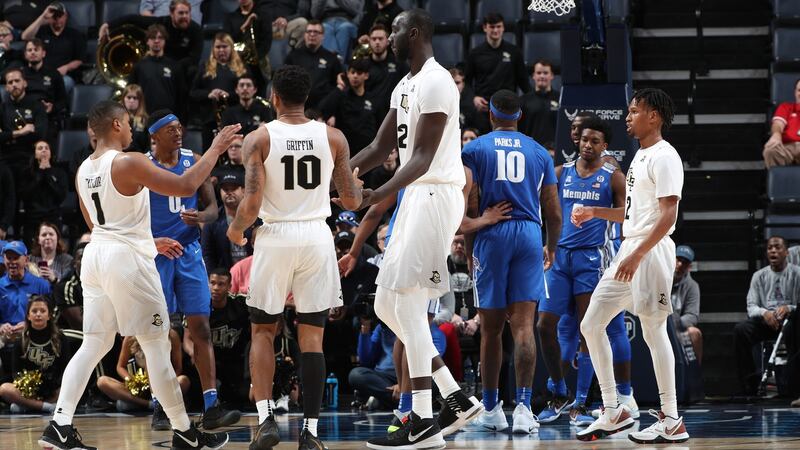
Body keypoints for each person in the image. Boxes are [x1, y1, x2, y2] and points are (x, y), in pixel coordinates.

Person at [36, 100, 239, 449]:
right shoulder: (129, 160)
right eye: (128, 122)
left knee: (95, 343)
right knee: (157, 344)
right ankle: (185, 432)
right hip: (126, 260)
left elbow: (95, 222)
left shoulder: (83, 168)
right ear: (115, 125)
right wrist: (217, 147)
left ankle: (59, 425)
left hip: (98, 254)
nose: (133, 129)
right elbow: (187, 184)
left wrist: (147, 239)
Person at [348, 9, 483, 449]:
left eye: (395, 31)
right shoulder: (404, 84)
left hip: (434, 194)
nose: (385, 38)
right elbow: (379, 146)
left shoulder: (438, 80)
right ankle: (455, 397)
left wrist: (372, 195)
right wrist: (342, 174)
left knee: (407, 303)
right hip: (414, 197)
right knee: (388, 305)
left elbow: (422, 158)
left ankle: (423, 419)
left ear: (417, 33)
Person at [225, 64, 362, 450]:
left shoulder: (259, 137)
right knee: (312, 339)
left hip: (275, 235)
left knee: (263, 331)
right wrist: (356, 189)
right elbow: (351, 200)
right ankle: (312, 434)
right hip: (317, 236)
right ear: (307, 99)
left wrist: (235, 231)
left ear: (274, 98)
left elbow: (251, 203)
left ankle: (267, 417)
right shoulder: (333, 136)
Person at [573, 88, 689, 444]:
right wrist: (595, 212)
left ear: (653, 116)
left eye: (634, 111)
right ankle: (614, 409)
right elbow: (630, 216)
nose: (627, 117)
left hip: (650, 253)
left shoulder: (665, 156)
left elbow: (668, 212)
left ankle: (671, 419)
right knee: (591, 324)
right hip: (630, 250)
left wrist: (639, 254)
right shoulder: (639, 156)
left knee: (654, 331)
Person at [459, 89, 560, 434]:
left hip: (493, 232)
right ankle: (523, 408)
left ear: (490, 115)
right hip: (530, 232)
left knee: (490, 330)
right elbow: (554, 211)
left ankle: (491, 409)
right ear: (519, 116)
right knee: (523, 328)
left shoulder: (473, 149)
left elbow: (469, 208)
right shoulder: (539, 152)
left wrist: (473, 245)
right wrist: (552, 247)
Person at [535, 116, 635, 426]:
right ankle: (560, 393)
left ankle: (580, 404)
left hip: (593, 258)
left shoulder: (613, 176)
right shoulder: (560, 173)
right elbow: (546, 211)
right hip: (561, 258)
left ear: (605, 146)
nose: (587, 145)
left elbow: (627, 215)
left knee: (587, 330)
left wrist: (595, 212)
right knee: (545, 325)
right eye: (584, 139)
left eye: (595, 141)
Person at [146, 109, 241, 428]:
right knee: (159, 332)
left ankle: (211, 403)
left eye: (180, 127)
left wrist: (201, 217)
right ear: (154, 136)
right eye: (170, 129)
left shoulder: (194, 159)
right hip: (157, 257)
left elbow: (213, 209)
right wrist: (153, 239)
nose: (178, 132)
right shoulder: (142, 167)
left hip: (188, 254)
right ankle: (159, 403)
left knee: (200, 327)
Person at [734, 236, 800, 395]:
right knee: (741, 330)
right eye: (770, 248)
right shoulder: (759, 276)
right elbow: (751, 307)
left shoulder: (797, 274)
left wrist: (789, 308)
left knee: (796, 327)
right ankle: (750, 385)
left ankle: (793, 385)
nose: (773, 251)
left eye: (777, 247)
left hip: (791, 322)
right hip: (767, 322)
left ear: (786, 252)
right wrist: (765, 313)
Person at [0, 296, 81, 414]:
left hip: (54, 390)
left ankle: (28, 406)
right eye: (34, 311)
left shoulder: (60, 338)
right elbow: (15, 372)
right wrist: (28, 386)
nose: (38, 314)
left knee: (74, 386)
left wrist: (54, 385)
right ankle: (45, 407)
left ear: (49, 316)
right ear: (28, 316)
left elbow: (66, 368)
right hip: (29, 391)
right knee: (4, 389)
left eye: (42, 311)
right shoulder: (21, 340)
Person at [101, 0, 203, 82]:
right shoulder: (162, 22)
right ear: (171, 13)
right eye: (181, 13)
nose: (185, 16)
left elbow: (194, 58)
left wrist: (173, 67)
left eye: (187, 13)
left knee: (193, 71)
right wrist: (107, 25)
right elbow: (132, 19)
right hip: (161, 66)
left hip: (182, 69)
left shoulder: (196, 30)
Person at [464, 13, 531, 134]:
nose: (496, 30)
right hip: (484, 109)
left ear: (503, 28)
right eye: (492, 27)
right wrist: (474, 98)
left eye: (499, 26)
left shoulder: (514, 52)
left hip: (508, 108)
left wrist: (527, 101)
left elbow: (524, 83)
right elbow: (467, 83)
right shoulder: (475, 53)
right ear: (485, 28)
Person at [97, 331, 190, 413]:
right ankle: (149, 405)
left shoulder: (171, 335)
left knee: (183, 381)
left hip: (162, 385)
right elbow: (120, 367)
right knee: (102, 381)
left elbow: (178, 367)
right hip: (137, 389)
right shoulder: (130, 336)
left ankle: (153, 403)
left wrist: (168, 380)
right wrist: (131, 381)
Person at [198, 267, 251, 405]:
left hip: (233, 361)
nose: (215, 288)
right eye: (212, 283)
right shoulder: (199, 304)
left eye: (221, 284)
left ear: (229, 286)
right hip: (207, 360)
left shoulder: (240, 304)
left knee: (242, 396)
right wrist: (195, 355)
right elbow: (187, 339)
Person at [190, 32, 248, 150]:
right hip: (210, 120)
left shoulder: (242, 68)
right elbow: (193, 92)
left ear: (231, 48)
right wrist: (209, 94)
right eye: (218, 47)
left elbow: (248, 92)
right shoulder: (204, 67)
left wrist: (229, 95)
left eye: (225, 46)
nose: (221, 50)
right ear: (213, 49)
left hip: (235, 120)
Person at [319, 57, 379, 155]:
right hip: (345, 151)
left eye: (359, 73)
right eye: (352, 72)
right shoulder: (340, 96)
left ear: (366, 75)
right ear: (347, 73)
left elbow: (379, 123)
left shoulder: (373, 99)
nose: (355, 76)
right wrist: (340, 87)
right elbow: (322, 110)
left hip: (367, 153)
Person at [20, 2, 85, 93]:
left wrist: (66, 67)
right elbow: (25, 36)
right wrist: (43, 16)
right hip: (40, 74)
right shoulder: (42, 31)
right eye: (55, 16)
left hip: (63, 75)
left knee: (64, 83)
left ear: (66, 16)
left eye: (60, 16)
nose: (58, 19)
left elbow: (79, 60)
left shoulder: (74, 34)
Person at [0, 68, 48, 185]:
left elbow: (40, 133)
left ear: (24, 83)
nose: (14, 85)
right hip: (6, 157)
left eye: (17, 81)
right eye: (10, 82)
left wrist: (9, 136)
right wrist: (20, 132)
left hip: (29, 155)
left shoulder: (37, 106)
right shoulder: (2, 108)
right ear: (6, 87)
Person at [284, 20, 343, 108]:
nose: (312, 34)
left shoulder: (332, 59)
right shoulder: (293, 56)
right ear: (304, 35)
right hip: (297, 107)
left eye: (316, 32)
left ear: (323, 36)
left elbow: (338, 88)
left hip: (323, 109)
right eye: (309, 31)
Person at [128, 24, 185, 115]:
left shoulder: (175, 66)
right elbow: (130, 92)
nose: (157, 41)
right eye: (153, 37)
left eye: (160, 38)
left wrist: (182, 121)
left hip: (168, 117)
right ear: (147, 41)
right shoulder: (139, 66)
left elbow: (182, 96)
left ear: (165, 41)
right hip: (144, 117)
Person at [201, 170, 252, 271]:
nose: (229, 192)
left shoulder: (256, 217)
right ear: (220, 192)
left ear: (243, 190)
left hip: (252, 273)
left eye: (233, 188)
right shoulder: (212, 220)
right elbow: (207, 254)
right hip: (224, 279)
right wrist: (212, 278)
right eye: (225, 189)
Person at [20, 142, 68, 244]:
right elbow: (25, 195)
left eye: (47, 148)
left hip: (53, 217)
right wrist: (41, 173)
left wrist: (49, 173)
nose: (44, 150)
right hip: (33, 217)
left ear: (51, 153)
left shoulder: (60, 173)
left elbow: (61, 196)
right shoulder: (27, 173)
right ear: (35, 154)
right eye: (40, 148)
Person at [20, 38, 67, 140]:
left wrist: (52, 108)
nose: (33, 52)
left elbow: (63, 100)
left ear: (43, 53)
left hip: (48, 116)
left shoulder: (54, 73)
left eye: (36, 49)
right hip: (26, 116)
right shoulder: (20, 75)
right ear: (25, 55)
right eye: (29, 50)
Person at [0, 241, 51, 332]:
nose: (12, 262)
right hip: (5, 338)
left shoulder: (42, 285)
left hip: (34, 334)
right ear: (4, 259)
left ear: (26, 260)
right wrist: (1, 327)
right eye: (9, 258)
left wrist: (30, 324)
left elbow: (50, 316)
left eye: (16, 258)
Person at [223, 0, 272, 89]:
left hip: (258, 60)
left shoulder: (263, 16)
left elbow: (266, 42)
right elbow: (228, 42)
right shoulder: (230, 18)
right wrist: (244, 27)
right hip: (237, 58)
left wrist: (254, 57)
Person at [364, 23, 408, 119]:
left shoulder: (399, 64)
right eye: (374, 39)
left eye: (380, 39)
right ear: (369, 41)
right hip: (369, 116)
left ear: (388, 41)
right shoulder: (363, 65)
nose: (377, 42)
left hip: (393, 115)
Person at [671, 244, 703, 364]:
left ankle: (695, 375)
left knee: (695, 333)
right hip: (657, 324)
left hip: (678, 328)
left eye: (685, 262)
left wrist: (673, 323)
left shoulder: (692, 286)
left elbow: (692, 315)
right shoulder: (661, 278)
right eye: (678, 259)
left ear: (689, 266)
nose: (680, 265)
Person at [519, 59, 559, 146]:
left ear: (552, 76)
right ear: (533, 76)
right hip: (531, 151)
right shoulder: (523, 101)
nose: (542, 76)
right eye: (539, 73)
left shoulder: (561, 99)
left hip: (555, 152)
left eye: (545, 73)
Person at [764, 78, 800, 168]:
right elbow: (778, 124)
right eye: (799, 90)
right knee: (770, 151)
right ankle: (778, 181)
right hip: (786, 148)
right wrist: (776, 135)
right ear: (795, 92)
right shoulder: (786, 107)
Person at [53, 242, 86, 330]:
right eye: (81, 257)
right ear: (74, 263)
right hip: (67, 334)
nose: (85, 261)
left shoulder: (102, 283)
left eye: (89, 257)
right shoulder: (66, 287)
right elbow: (79, 324)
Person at [120, 84, 150, 153]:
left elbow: (149, 145)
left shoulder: (145, 120)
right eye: (129, 97)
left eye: (135, 98)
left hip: (141, 157)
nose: (131, 101)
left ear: (140, 101)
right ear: (123, 98)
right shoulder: (117, 119)